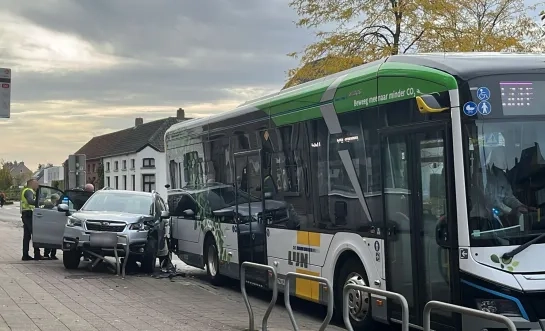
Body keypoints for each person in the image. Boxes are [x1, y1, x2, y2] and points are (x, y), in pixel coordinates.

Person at [21, 179, 42, 260]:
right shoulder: (29, 191)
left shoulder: (26, 190)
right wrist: (41, 202)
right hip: (29, 215)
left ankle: (25, 255)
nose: (37, 186)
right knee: (35, 234)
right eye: (36, 184)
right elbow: (30, 201)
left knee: (27, 236)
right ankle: (37, 254)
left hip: (26, 214)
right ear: (32, 184)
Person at [43, 194, 59, 260]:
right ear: (53, 199)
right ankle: (47, 254)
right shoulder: (49, 205)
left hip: (55, 224)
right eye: (57, 199)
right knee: (49, 239)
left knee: (54, 239)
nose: (57, 201)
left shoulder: (56, 205)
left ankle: (53, 254)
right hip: (49, 224)